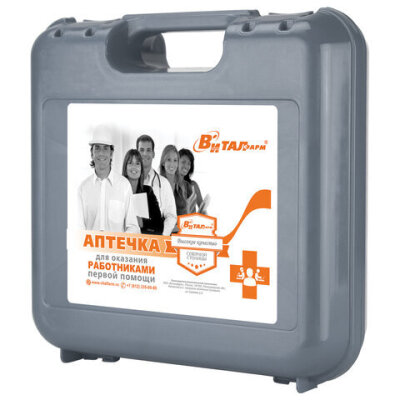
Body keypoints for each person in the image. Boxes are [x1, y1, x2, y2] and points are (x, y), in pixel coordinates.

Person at [78, 126, 140, 233]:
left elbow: (133, 227)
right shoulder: (83, 189)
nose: (101, 153)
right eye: (97, 148)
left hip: (117, 244)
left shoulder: (124, 185)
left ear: (111, 154)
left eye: (105, 148)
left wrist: (118, 242)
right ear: (92, 153)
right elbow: (79, 228)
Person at [136, 134, 177, 236]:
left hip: (156, 238)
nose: (145, 153)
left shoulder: (164, 183)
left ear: (153, 154)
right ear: (136, 153)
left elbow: (171, 215)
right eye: (141, 150)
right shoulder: (127, 182)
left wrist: (162, 236)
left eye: (148, 150)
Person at [122, 149, 163, 235]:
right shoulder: (118, 191)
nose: (134, 167)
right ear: (125, 168)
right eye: (130, 163)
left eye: (137, 163)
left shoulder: (148, 192)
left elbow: (159, 226)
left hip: (143, 240)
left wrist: (142, 221)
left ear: (141, 169)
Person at [160, 145, 196, 219]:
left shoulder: (186, 186)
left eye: (175, 160)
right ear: (163, 163)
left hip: (182, 225)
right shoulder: (157, 184)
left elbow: (193, 216)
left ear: (178, 163)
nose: (172, 164)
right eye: (169, 160)